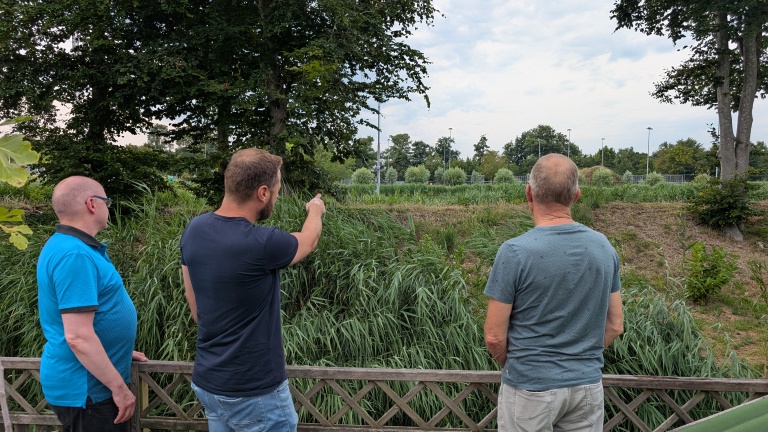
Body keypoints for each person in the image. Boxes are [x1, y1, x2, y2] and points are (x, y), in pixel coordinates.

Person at [180, 148, 325, 432]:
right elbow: (308, 240)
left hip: (210, 382)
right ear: (262, 193)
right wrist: (315, 210)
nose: (276, 195)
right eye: (276, 189)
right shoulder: (263, 242)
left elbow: (191, 296)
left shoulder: (194, 230)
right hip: (255, 393)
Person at [484, 154, 624, 432]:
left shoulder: (515, 252)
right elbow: (615, 325)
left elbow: (494, 336)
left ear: (529, 192)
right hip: (586, 387)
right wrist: (579, 360)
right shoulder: (604, 248)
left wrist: (522, 365)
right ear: (576, 196)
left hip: (530, 387)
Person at [37, 176, 148, 432]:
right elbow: (77, 336)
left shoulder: (67, 246)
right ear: (92, 204)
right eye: (106, 201)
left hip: (87, 383)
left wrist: (114, 349)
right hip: (88, 391)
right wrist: (119, 388)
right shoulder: (74, 254)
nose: (108, 207)